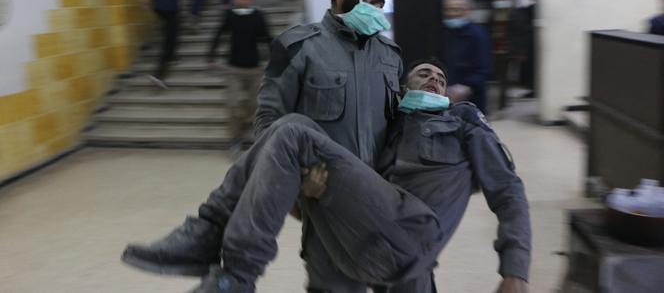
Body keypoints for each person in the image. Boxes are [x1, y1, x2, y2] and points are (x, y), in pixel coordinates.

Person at [122, 0, 403, 293]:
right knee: (289, 131)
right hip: (325, 199)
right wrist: (300, 188)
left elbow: (395, 134)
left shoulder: (391, 57)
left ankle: (212, 235)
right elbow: (269, 124)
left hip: (379, 201)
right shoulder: (298, 47)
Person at [122, 59, 531, 293]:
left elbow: (508, 192)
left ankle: (231, 268)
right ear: (404, 86)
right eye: (425, 73)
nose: (435, 80)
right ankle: (218, 248)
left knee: (293, 131)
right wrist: (307, 195)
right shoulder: (381, 129)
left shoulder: (463, 121)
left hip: (413, 236)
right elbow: (339, 192)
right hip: (362, 245)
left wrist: (514, 270)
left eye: (441, 78)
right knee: (290, 136)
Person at [207, 0, 272, 142]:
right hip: (233, 68)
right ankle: (234, 139)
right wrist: (211, 55)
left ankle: (250, 127)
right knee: (233, 104)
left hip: (254, 69)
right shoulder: (229, 15)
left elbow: (267, 38)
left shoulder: (258, 16)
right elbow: (219, 34)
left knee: (254, 104)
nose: (242, 1)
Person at [134, 0, 186, 89]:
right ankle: (158, 73)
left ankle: (171, 56)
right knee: (170, 38)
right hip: (170, 6)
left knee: (172, 31)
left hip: (157, 7)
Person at [438, 0, 492, 113]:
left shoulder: (478, 35)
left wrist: (467, 86)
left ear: (468, 10)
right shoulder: (445, 32)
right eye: (449, 9)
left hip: (472, 97)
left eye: (457, 9)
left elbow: (484, 69)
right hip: (447, 95)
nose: (452, 13)